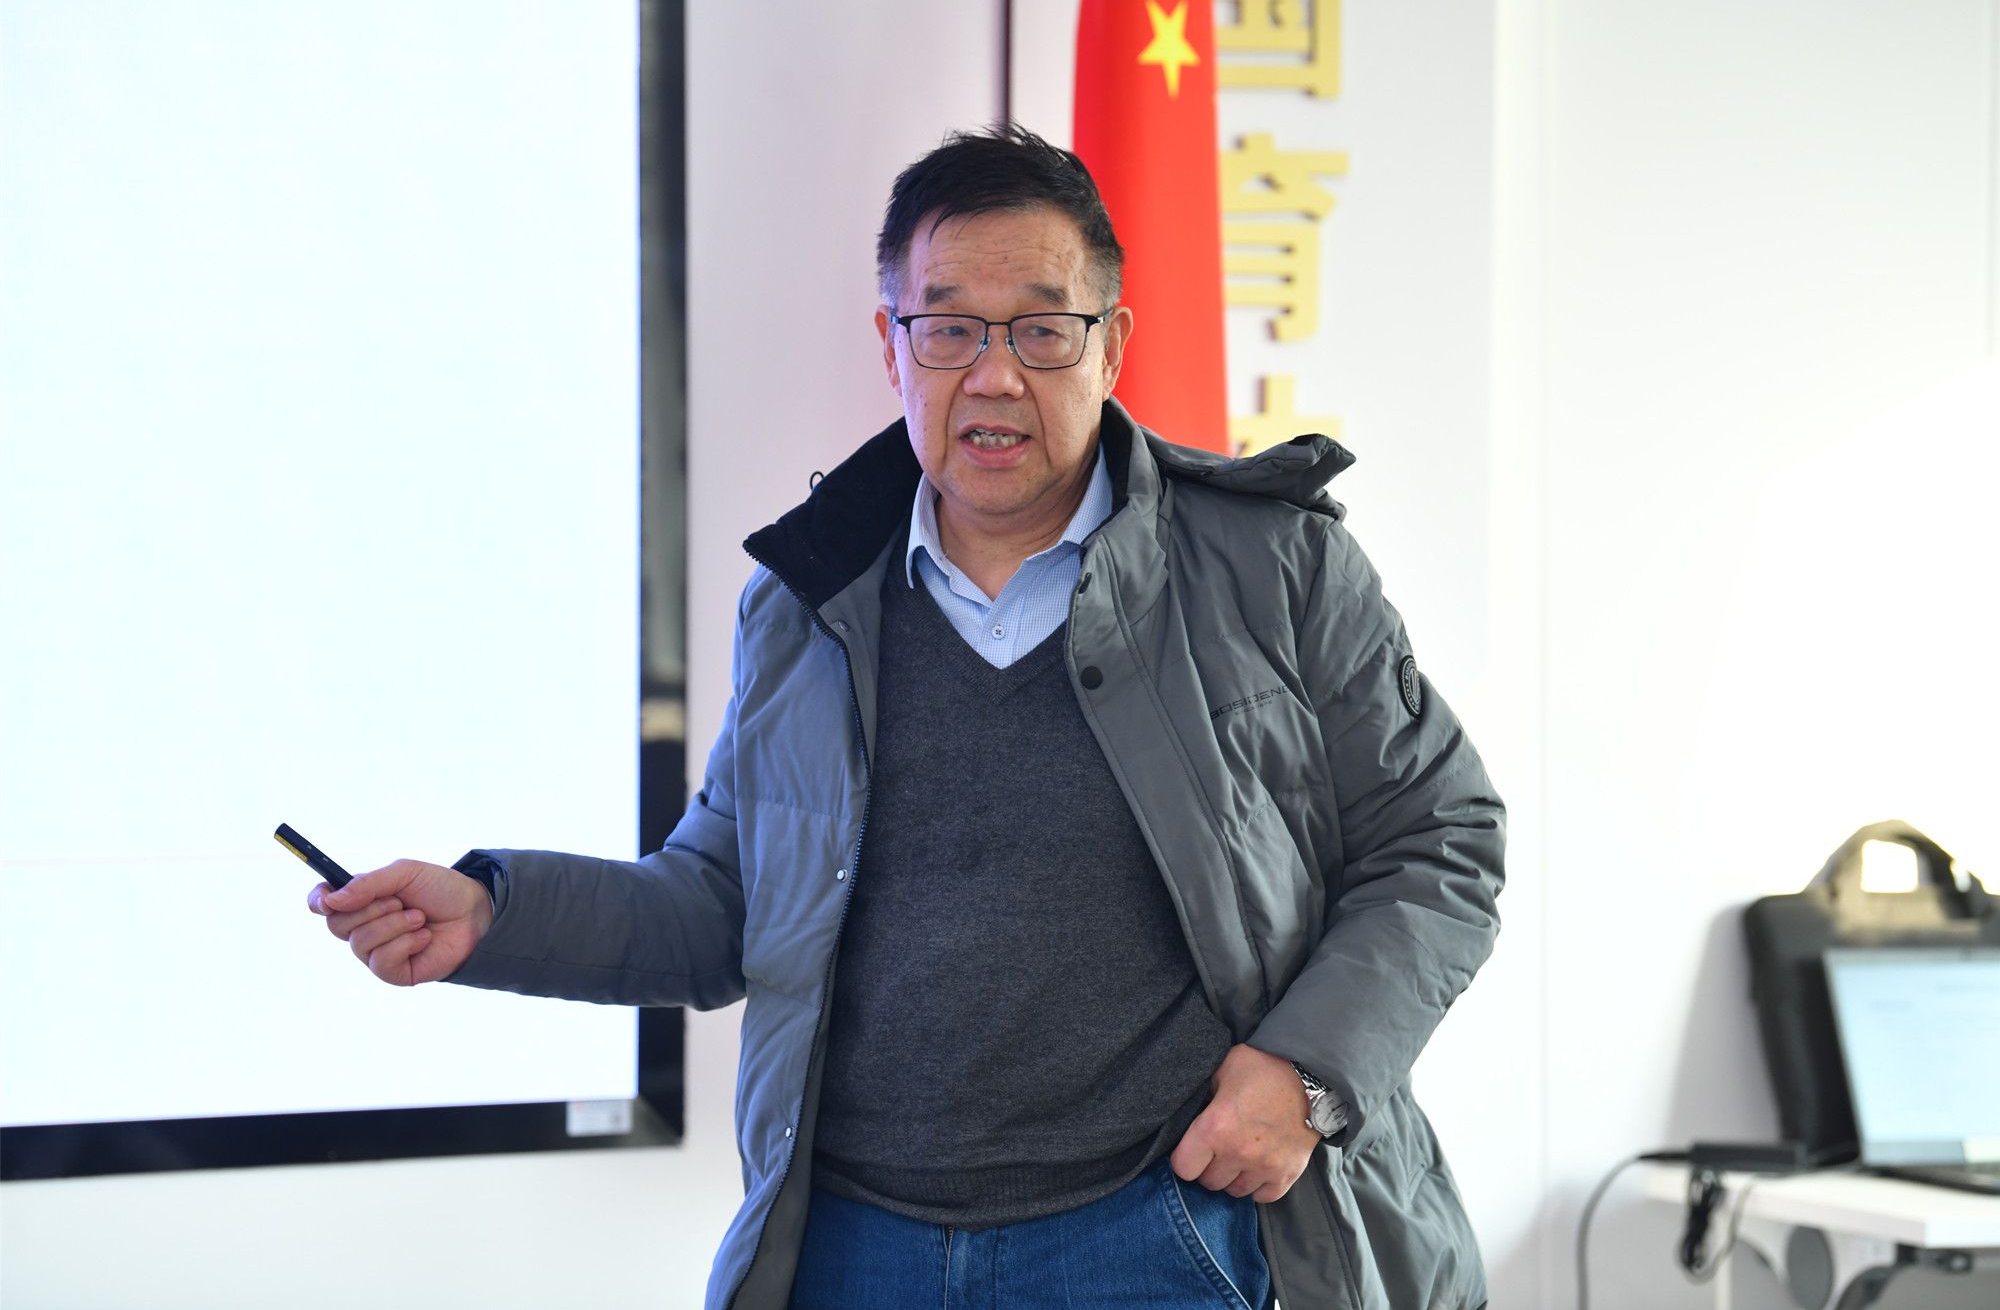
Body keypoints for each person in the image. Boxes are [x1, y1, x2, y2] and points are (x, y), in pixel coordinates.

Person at [310, 124, 1504, 1310]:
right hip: (851, 1247)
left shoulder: (1270, 564)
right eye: (947, 329)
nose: (993, 376)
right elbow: (724, 902)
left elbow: (1440, 839)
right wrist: (495, 911)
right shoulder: (806, 601)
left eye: (1041, 329)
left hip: (1160, 1234)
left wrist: (1305, 1076)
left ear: (1111, 346)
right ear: (890, 345)